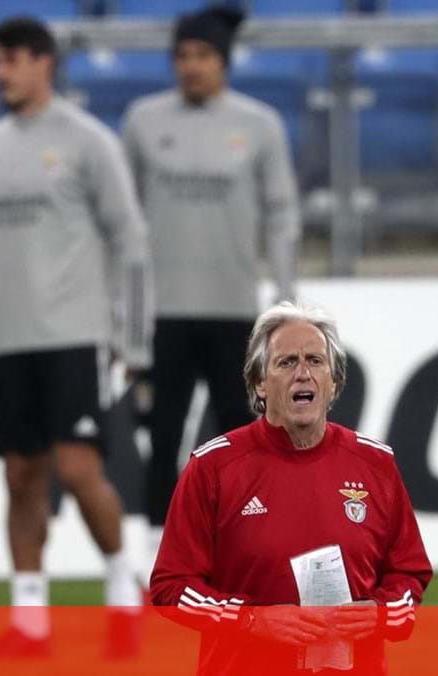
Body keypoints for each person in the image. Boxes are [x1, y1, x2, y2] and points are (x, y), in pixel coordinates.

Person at [0, 17, 153, 657]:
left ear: (43, 62)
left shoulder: (86, 142)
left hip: (75, 337)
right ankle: (29, 619)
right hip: (12, 343)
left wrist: (133, 342)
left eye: (11, 61)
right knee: (21, 476)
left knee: (78, 470)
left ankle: (122, 589)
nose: (0, 74)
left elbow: (130, 241)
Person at [151, 302, 432, 675]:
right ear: (259, 383)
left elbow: (409, 575)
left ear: (333, 383)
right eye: (286, 362)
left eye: (315, 361)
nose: (303, 373)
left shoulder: (375, 464)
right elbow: (172, 588)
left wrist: (380, 615)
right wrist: (251, 620)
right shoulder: (214, 467)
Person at [122, 5, 301, 572]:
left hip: (234, 313)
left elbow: (281, 214)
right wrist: (122, 311)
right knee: (163, 435)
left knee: (242, 438)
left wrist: (286, 301)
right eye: (182, 56)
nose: (191, 66)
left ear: (223, 61)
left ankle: (245, 549)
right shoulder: (144, 121)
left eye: (202, 55)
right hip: (164, 313)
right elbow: (121, 221)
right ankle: (159, 553)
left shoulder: (259, 125)